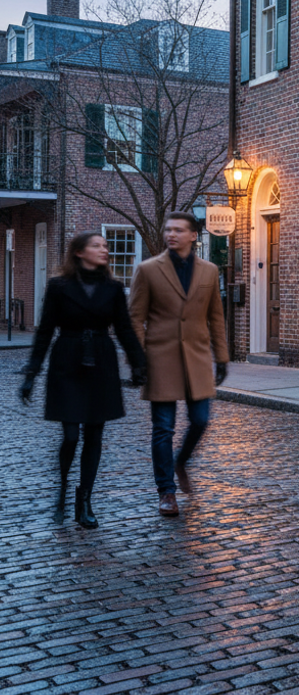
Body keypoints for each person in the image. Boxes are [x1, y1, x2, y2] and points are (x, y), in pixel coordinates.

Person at [20, 232, 147, 529]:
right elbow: (45, 331)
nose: (104, 250)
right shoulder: (59, 286)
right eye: (97, 245)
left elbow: (125, 329)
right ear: (79, 252)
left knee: (94, 436)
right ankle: (63, 486)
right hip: (68, 360)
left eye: (105, 246)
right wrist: (31, 373)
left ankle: (85, 499)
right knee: (70, 436)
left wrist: (139, 364)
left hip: (101, 363)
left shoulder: (114, 288)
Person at [128, 212, 228, 517]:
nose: (171, 234)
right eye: (168, 229)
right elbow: (135, 317)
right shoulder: (148, 270)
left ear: (193, 235)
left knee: (200, 420)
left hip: (197, 358)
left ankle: (181, 461)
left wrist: (222, 357)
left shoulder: (209, 272)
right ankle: (166, 492)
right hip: (161, 359)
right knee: (163, 428)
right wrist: (140, 358)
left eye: (178, 230)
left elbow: (215, 317)